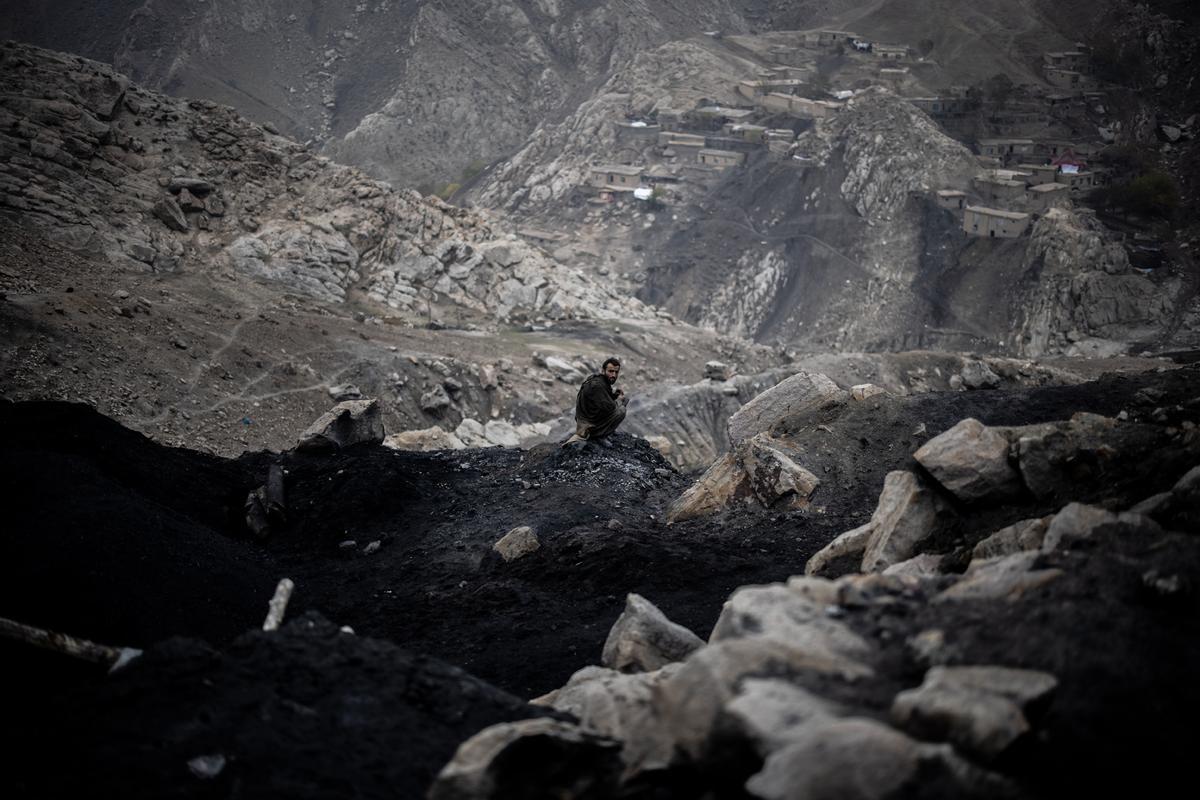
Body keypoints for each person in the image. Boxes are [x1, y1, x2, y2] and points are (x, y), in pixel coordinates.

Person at [563, 357, 627, 447]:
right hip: (588, 424)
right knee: (621, 411)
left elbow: (602, 399)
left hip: (589, 418)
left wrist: (615, 395)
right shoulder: (597, 385)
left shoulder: (600, 380)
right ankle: (599, 436)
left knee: (618, 407)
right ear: (603, 370)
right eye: (611, 371)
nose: (614, 375)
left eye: (616, 372)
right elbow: (610, 408)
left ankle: (601, 432)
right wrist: (621, 401)